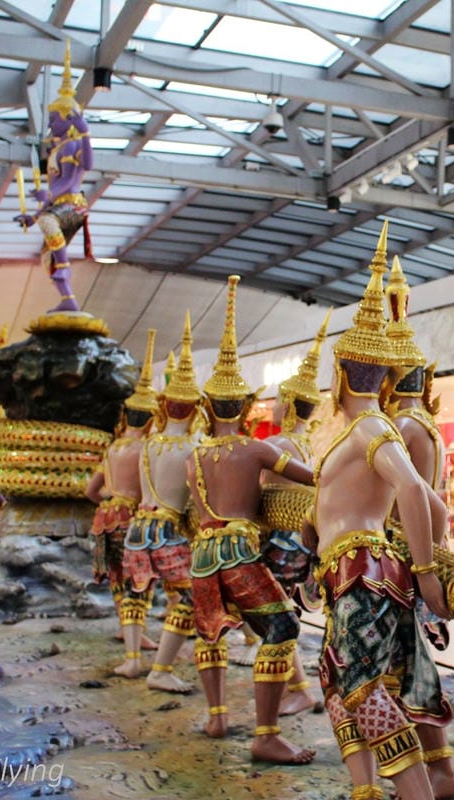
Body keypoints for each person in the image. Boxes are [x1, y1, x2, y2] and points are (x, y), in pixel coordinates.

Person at [311, 230, 452, 800]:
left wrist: (428, 574)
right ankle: (366, 790)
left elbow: (417, 493)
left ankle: (417, 793)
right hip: (360, 572)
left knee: (365, 694)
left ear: (342, 375)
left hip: (362, 572)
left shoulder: (371, 428)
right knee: (344, 682)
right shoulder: (368, 429)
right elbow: (434, 503)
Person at [184, 276, 316, 763]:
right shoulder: (255, 448)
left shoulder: (192, 458)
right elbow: (310, 478)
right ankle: (265, 733)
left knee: (209, 630)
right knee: (282, 630)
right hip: (239, 550)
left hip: (202, 552)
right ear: (244, 407)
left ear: (205, 407)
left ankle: (217, 714)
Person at [382, 253, 454, 800]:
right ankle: (437, 768)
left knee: (404, 667)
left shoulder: (399, 427)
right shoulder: (422, 423)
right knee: (412, 663)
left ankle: (435, 772)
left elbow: (415, 496)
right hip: (413, 550)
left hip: (400, 555)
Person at [116, 313, 202, 691]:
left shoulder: (149, 443)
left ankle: (133, 659)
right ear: (196, 407)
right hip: (168, 528)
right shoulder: (195, 447)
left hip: (139, 525)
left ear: (165, 405)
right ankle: (161, 669)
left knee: (138, 590)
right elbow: (195, 499)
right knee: (187, 597)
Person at [257, 309, 332, 717]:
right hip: (300, 545)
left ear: (287, 404)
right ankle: (298, 685)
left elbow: (261, 494)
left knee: (274, 617)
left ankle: (298, 688)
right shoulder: (310, 449)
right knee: (280, 616)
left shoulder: (280, 447)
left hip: (279, 546)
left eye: (275, 401)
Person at [86, 329, 160, 659]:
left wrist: (107, 503)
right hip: (133, 517)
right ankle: (137, 634)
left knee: (117, 576)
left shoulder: (114, 448)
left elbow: (91, 490)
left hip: (106, 517)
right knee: (141, 577)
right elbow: (150, 491)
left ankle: (126, 627)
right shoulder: (146, 450)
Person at [13, 43, 92, 313]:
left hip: (73, 205)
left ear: (67, 120)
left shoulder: (72, 147)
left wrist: (85, 135)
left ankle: (63, 276)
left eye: (53, 119)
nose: (49, 125)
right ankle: (67, 298)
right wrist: (32, 216)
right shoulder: (57, 151)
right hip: (60, 207)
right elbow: (52, 196)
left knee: (48, 220)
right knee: (46, 257)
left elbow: (84, 170)